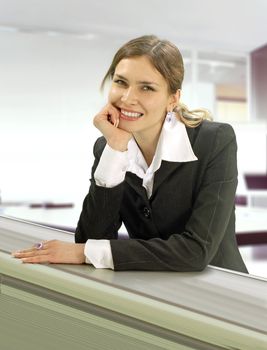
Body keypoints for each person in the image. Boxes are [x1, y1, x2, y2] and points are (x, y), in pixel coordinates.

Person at [12, 35, 248, 273]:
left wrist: (85, 253)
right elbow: (92, 238)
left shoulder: (215, 142)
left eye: (146, 87)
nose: (127, 98)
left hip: (223, 293)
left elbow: (196, 251)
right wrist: (115, 147)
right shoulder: (108, 148)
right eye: (121, 82)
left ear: (172, 99)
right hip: (147, 292)